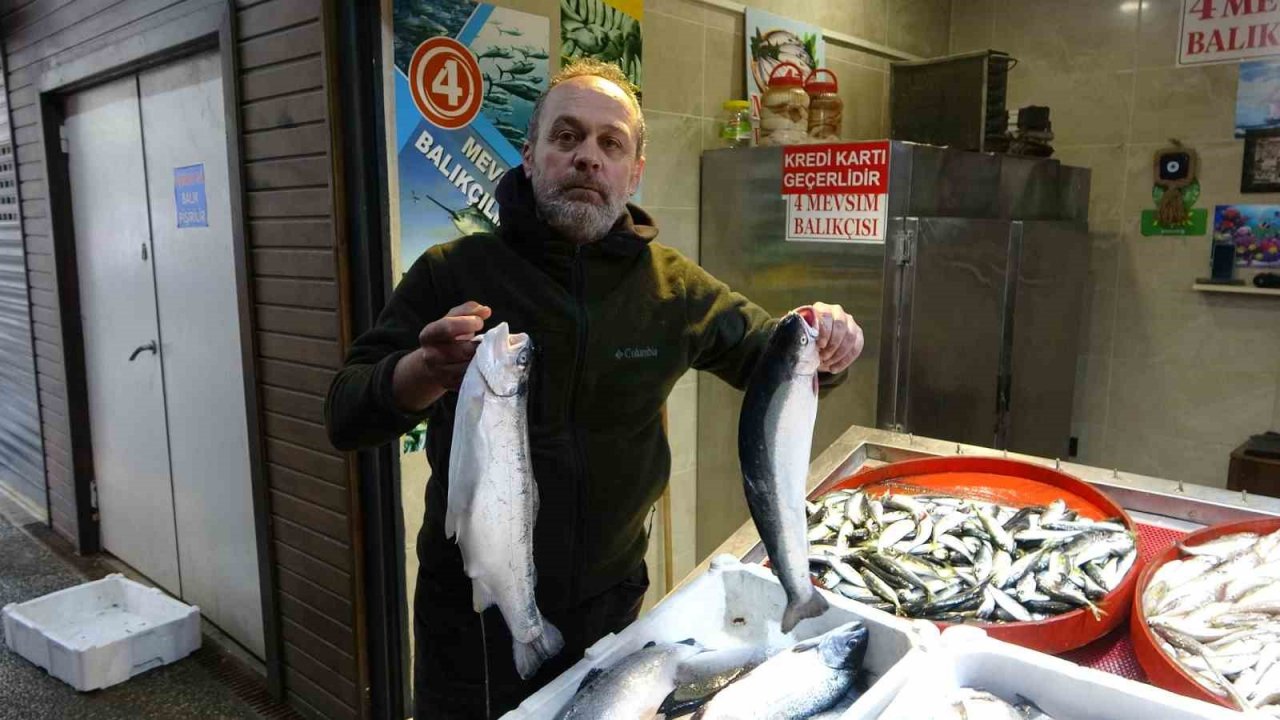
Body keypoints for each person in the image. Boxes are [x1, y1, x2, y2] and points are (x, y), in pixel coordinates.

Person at [324, 58, 865, 718]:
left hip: (612, 610)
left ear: (635, 170)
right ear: (531, 156)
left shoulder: (674, 288)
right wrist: (418, 375)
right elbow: (345, 414)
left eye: (611, 144)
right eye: (567, 137)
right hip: (472, 616)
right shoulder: (454, 271)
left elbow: (771, 357)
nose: (588, 157)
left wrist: (826, 345)